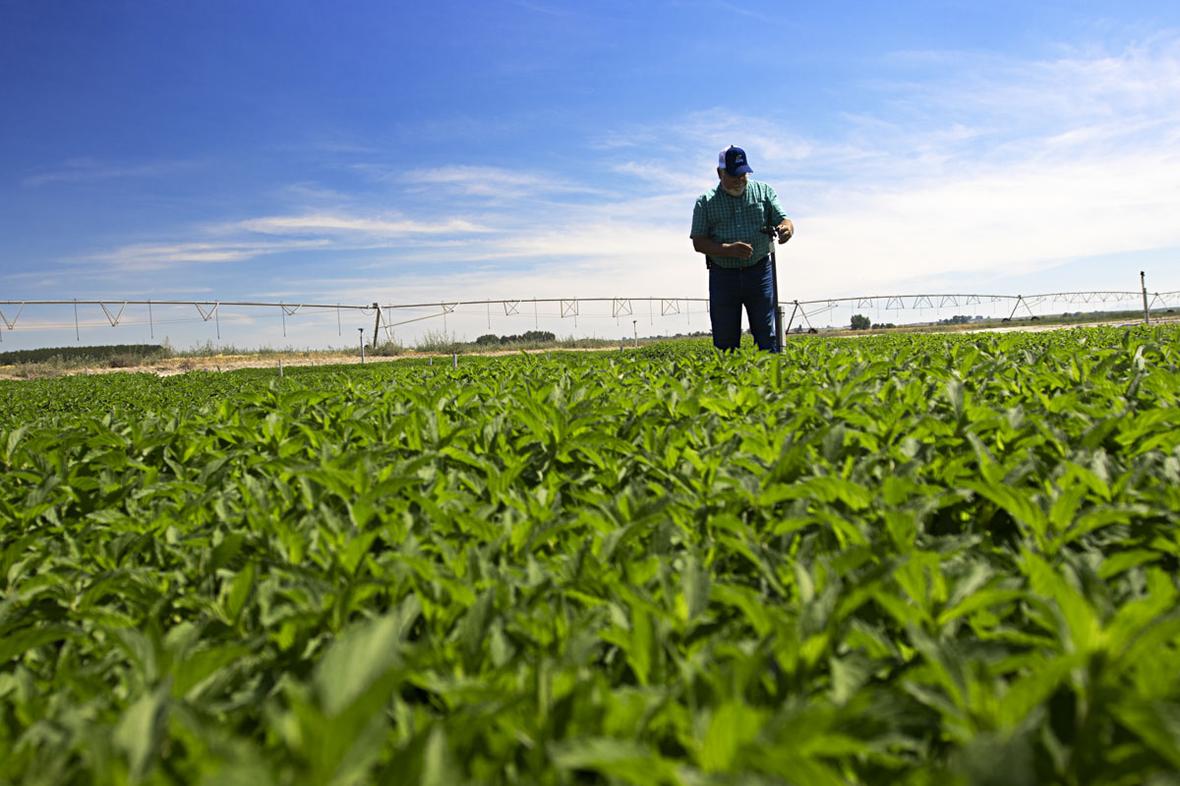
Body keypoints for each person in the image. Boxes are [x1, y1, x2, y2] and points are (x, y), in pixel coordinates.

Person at [690, 145, 794, 352]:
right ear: (719, 173)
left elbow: (784, 219)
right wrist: (728, 249)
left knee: (766, 334)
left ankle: (770, 370)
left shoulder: (764, 192)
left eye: (743, 174)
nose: (739, 180)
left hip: (759, 271)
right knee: (725, 339)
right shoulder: (705, 202)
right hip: (723, 275)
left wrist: (786, 229)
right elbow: (698, 242)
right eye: (733, 175)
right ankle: (729, 372)